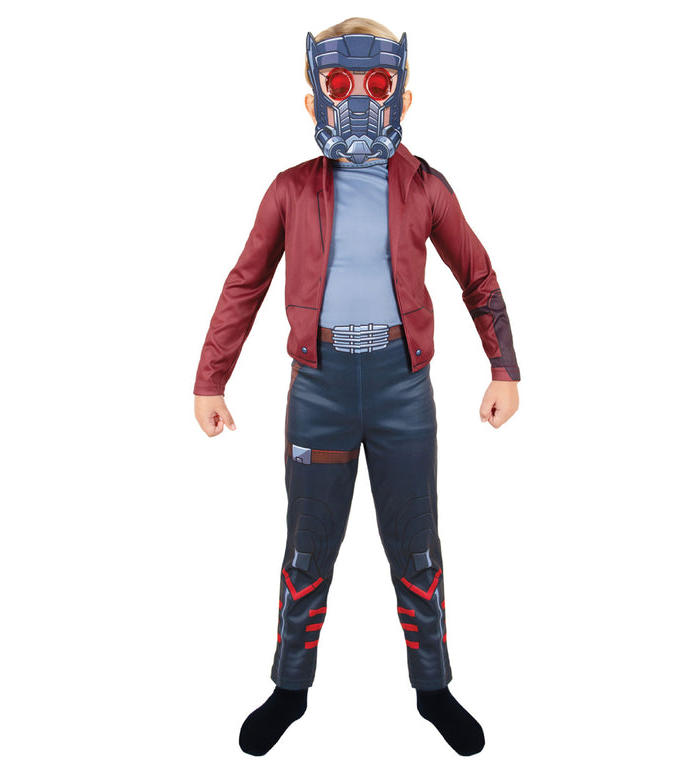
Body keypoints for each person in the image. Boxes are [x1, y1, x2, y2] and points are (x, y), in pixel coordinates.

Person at [193, 17, 520, 757]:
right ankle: (290, 689)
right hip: (321, 389)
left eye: (378, 84)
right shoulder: (288, 190)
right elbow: (245, 283)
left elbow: (477, 274)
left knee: (416, 543)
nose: (361, 103)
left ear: (406, 95)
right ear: (313, 100)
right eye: (341, 85)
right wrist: (211, 379)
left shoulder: (425, 186)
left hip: (404, 388)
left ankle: (433, 689)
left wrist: (503, 366)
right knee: (308, 543)